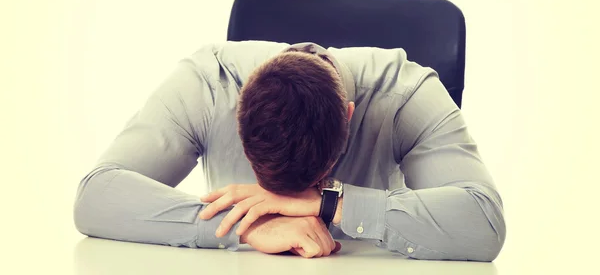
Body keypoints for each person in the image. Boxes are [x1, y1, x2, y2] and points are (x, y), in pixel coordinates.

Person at [73, 41, 506, 260]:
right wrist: (241, 226)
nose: (282, 205)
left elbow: (483, 222)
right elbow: (97, 196)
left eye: (312, 183)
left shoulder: (408, 93)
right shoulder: (209, 84)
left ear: (350, 115)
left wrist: (328, 203)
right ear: (237, 109)